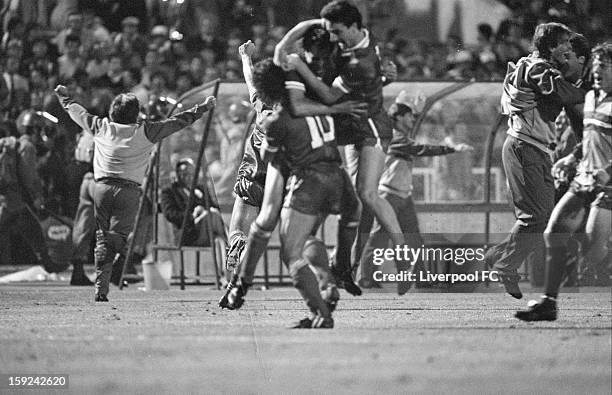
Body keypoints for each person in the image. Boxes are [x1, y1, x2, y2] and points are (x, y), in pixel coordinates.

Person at [221, 38, 366, 307]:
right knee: (305, 239)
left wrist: (245, 58)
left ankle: (235, 278)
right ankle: (328, 278)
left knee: (243, 228)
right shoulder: (317, 107)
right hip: (305, 181)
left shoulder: (266, 110)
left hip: (258, 176)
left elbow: (252, 82)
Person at [274, 1, 403, 294]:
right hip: (327, 140)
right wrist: (313, 26)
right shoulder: (337, 50)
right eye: (327, 35)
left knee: (362, 200)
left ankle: (356, 265)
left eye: (335, 33)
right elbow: (299, 94)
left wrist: (380, 78)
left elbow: (334, 95)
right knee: (353, 204)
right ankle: (335, 269)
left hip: (357, 132)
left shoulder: (352, 60)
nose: (330, 42)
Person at [55, 84, 216, 302]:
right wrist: (202, 108)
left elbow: (77, 112)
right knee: (119, 238)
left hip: (100, 188)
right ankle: (124, 262)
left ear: (112, 112)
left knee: (102, 238)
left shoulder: (101, 126)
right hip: (128, 192)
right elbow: (177, 123)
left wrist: (64, 97)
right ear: (135, 114)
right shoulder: (146, 131)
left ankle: (102, 285)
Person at [484, 22, 585, 299]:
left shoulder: (537, 66)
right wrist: (589, 88)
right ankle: (505, 266)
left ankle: (497, 255)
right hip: (523, 146)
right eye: (565, 43)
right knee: (537, 216)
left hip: (536, 149)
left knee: (543, 215)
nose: (568, 48)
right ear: (551, 46)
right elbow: (563, 93)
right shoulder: (537, 68)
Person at [516, 42, 612, 321]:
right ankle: (549, 303)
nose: (597, 72)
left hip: (608, 183)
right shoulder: (592, 98)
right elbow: (589, 138)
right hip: (585, 178)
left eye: (603, 67)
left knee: (593, 251)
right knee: (553, 232)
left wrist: (607, 171)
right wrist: (572, 158)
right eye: (595, 67)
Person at [358, 92, 474, 294]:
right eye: (410, 116)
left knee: (414, 239)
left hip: (403, 194)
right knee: (379, 238)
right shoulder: (392, 135)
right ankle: (365, 278)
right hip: (388, 195)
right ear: (400, 117)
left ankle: (421, 279)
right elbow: (418, 149)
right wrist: (451, 149)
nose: (412, 120)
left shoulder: (401, 135)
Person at [0, 111, 60, 272]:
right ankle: (47, 262)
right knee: (31, 228)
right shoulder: (28, 147)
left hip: (10, 197)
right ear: (34, 130)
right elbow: (29, 176)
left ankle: (47, 262)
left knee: (32, 227)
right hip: (12, 199)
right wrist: (37, 197)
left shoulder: (18, 144)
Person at [160, 158, 226, 248]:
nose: (187, 176)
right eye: (183, 173)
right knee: (211, 216)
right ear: (177, 174)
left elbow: (214, 206)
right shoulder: (169, 191)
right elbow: (170, 214)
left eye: (191, 173)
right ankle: (228, 244)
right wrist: (193, 215)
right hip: (188, 232)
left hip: (208, 225)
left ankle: (225, 243)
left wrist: (204, 210)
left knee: (213, 213)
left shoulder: (201, 189)